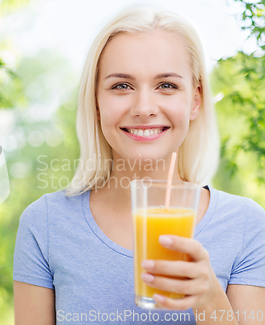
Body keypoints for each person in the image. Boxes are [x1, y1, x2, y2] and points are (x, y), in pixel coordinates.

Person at [13, 6, 265, 325]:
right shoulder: (45, 224)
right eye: (122, 86)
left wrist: (210, 299)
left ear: (196, 100)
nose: (144, 108)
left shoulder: (246, 225)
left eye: (167, 86)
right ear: (95, 102)